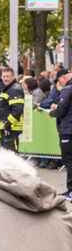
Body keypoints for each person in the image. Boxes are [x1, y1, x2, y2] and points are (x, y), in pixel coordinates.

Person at [50, 72, 72, 200]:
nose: (60, 84)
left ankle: (71, 190)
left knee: (69, 159)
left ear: (64, 78)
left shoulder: (68, 89)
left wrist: (53, 111)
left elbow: (61, 109)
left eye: (59, 81)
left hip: (68, 129)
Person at [0, 67, 24, 152]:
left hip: (10, 130)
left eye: (8, 76)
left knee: (11, 156)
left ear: (13, 77)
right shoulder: (7, 89)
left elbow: (18, 109)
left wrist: (8, 124)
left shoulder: (14, 89)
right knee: (6, 158)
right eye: (4, 76)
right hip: (5, 129)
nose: (5, 79)